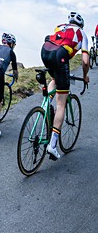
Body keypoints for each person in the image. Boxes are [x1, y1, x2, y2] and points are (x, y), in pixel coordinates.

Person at [40, 11, 91, 160]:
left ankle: (45, 104)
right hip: (60, 55)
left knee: (56, 79)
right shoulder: (82, 33)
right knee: (61, 104)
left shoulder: (59, 26)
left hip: (45, 50)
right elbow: (86, 61)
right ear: (81, 24)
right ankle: (53, 145)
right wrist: (85, 76)